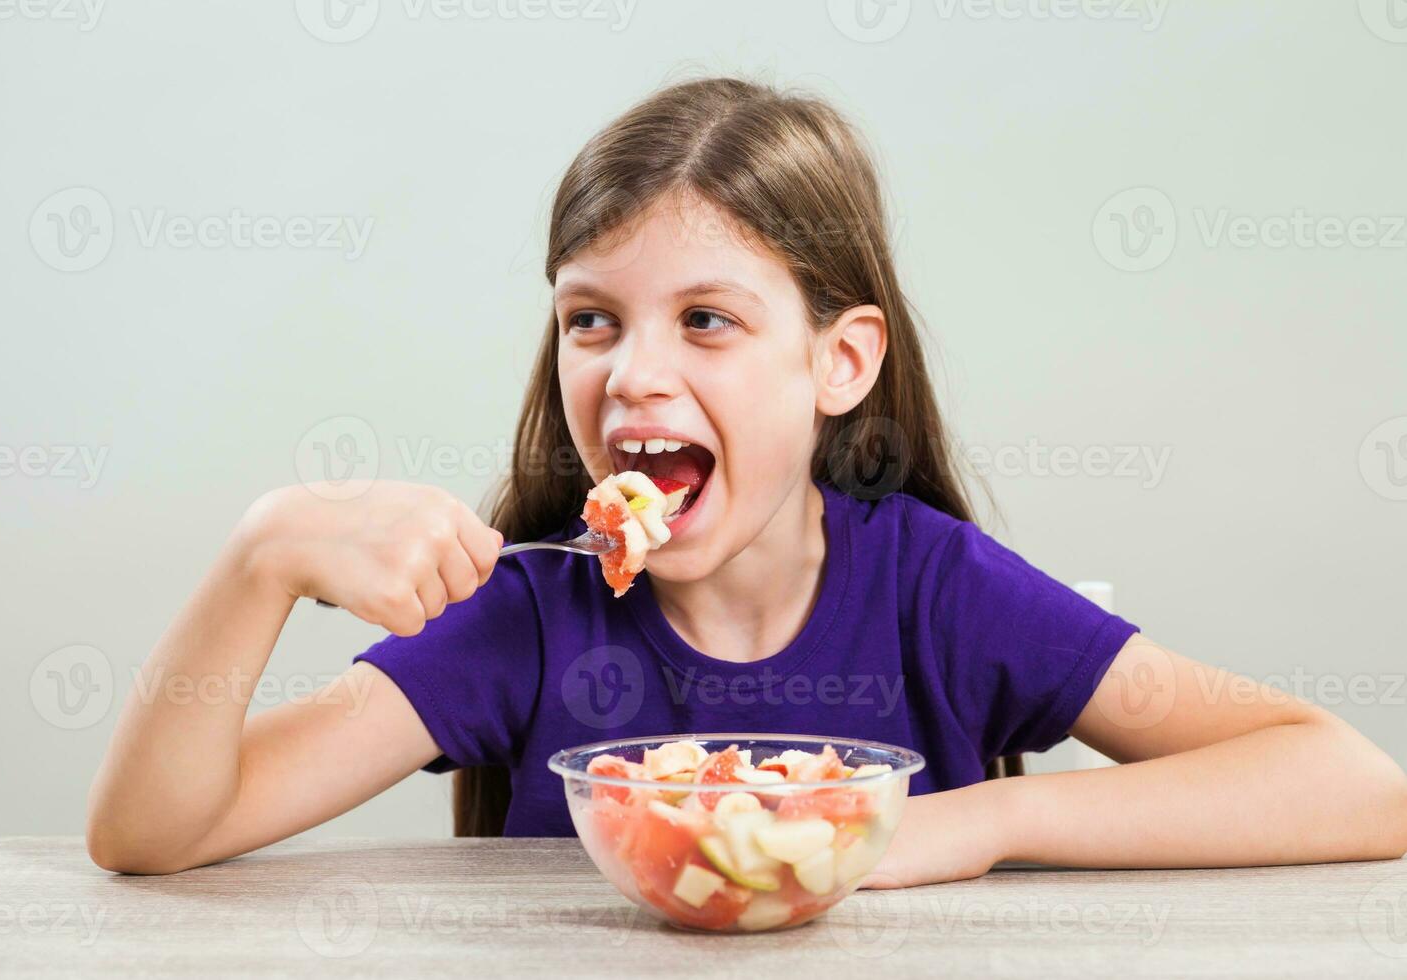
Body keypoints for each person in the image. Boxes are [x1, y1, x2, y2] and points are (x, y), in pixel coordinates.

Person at [87, 78, 1407, 884]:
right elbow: (152, 833)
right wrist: (263, 554)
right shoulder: (528, 617)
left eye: (705, 321)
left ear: (837, 362)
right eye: (591, 320)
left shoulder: (933, 593)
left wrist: (967, 827)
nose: (630, 376)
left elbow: (1354, 785)